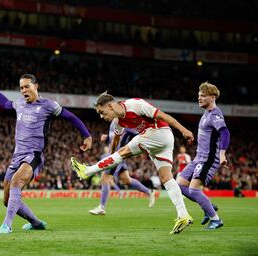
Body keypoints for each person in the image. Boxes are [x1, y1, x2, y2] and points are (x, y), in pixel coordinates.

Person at [0, 67, 93, 234]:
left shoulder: (48, 105)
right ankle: (36, 222)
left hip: (34, 156)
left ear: (36, 86)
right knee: (7, 200)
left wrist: (87, 135)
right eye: (21, 88)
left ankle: (7, 225)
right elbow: (4, 103)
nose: (24, 90)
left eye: (27, 86)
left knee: (16, 183)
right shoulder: (18, 103)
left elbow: (71, 117)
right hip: (16, 156)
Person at [71, 93, 194, 234]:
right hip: (161, 142)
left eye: (102, 112)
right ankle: (183, 215)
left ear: (110, 106)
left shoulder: (135, 105)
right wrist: (111, 156)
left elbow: (162, 116)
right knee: (166, 178)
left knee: (124, 151)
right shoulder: (117, 122)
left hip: (159, 132)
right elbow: (115, 140)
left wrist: (183, 129)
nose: (101, 116)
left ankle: (87, 171)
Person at [177, 82, 229, 230]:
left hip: (208, 159)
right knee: (179, 185)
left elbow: (225, 132)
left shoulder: (215, 114)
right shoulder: (206, 114)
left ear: (212, 98)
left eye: (203, 96)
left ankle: (216, 219)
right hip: (198, 158)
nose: (199, 98)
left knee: (194, 190)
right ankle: (208, 206)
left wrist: (222, 154)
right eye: (198, 95)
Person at [89, 124, 155, 216]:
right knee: (126, 180)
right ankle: (148, 192)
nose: (103, 117)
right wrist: (107, 137)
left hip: (118, 157)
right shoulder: (112, 123)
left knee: (104, 178)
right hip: (113, 156)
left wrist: (141, 149)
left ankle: (101, 207)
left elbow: (139, 137)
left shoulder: (126, 125)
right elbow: (113, 139)